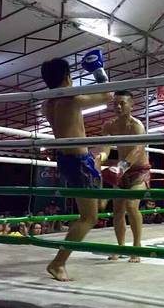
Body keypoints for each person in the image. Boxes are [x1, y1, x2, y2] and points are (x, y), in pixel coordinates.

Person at [41, 51, 113, 281]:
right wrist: (98, 72)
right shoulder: (71, 99)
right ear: (66, 77)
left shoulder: (47, 104)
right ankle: (58, 263)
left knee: (96, 206)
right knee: (89, 217)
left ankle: (76, 236)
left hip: (70, 160)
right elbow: (108, 96)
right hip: (78, 162)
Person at [99, 91, 151, 263]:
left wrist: (121, 167)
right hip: (121, 171)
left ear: (131, 105)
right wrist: (100, 157)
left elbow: (138, 149)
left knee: (131, 205)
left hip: (139, 171)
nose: (118, 107)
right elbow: (106, 147)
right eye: (115, 104)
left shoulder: (137, 126)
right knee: (118, 210)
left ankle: (136, 247)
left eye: (122, 103)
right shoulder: (109, 125)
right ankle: (120, 247)